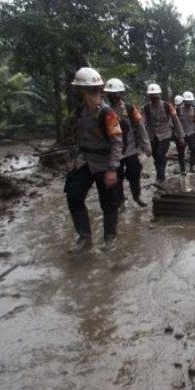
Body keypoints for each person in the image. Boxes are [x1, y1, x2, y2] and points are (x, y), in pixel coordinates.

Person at [65, 67, 123, 252]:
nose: (93, 94)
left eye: (95, 90)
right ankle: (84, 237)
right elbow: (77, 138)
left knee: (108, 201)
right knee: (73, 194)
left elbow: (117, 143)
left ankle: (109, 237)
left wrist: (113, 169)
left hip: (105, 161)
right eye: (90, 90)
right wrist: (73, 160)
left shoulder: (109, 114)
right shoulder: (79, 111)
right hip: (85, 160)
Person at [104, 78, 151, 208]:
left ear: (121, 94)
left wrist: (146, 147)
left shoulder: (130, 109)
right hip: (113, 152)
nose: (114, 96)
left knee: (134, 174)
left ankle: (137, 196)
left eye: (116, 93)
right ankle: (120, 202)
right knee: (116, 178)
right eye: (111, 94)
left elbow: (141, 128)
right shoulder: (104, 111)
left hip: (130, 149)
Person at [143, 83, 184, 182]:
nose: (154, 99)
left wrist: (181, 136)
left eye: (156, 97)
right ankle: (159, 173)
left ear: (159, 95)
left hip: (165, 135)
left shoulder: (167, 106)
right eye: (152, 97)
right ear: (149, 96)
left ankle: (161, 176)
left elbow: (176, 120)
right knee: (155, 156)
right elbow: (142, 124)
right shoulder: (146, 108)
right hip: (152, 136)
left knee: (160, 154)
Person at [176, 91, 195, 173]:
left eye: (190, 101)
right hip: (180, 133)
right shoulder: (178, 110)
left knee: (193, 149)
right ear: (184, 101)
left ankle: (192, 166)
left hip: (191, 132)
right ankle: (182, 169)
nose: (189, 103)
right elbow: (174, 123)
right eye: (187, 101)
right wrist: (178, 136)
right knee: (181, 151)